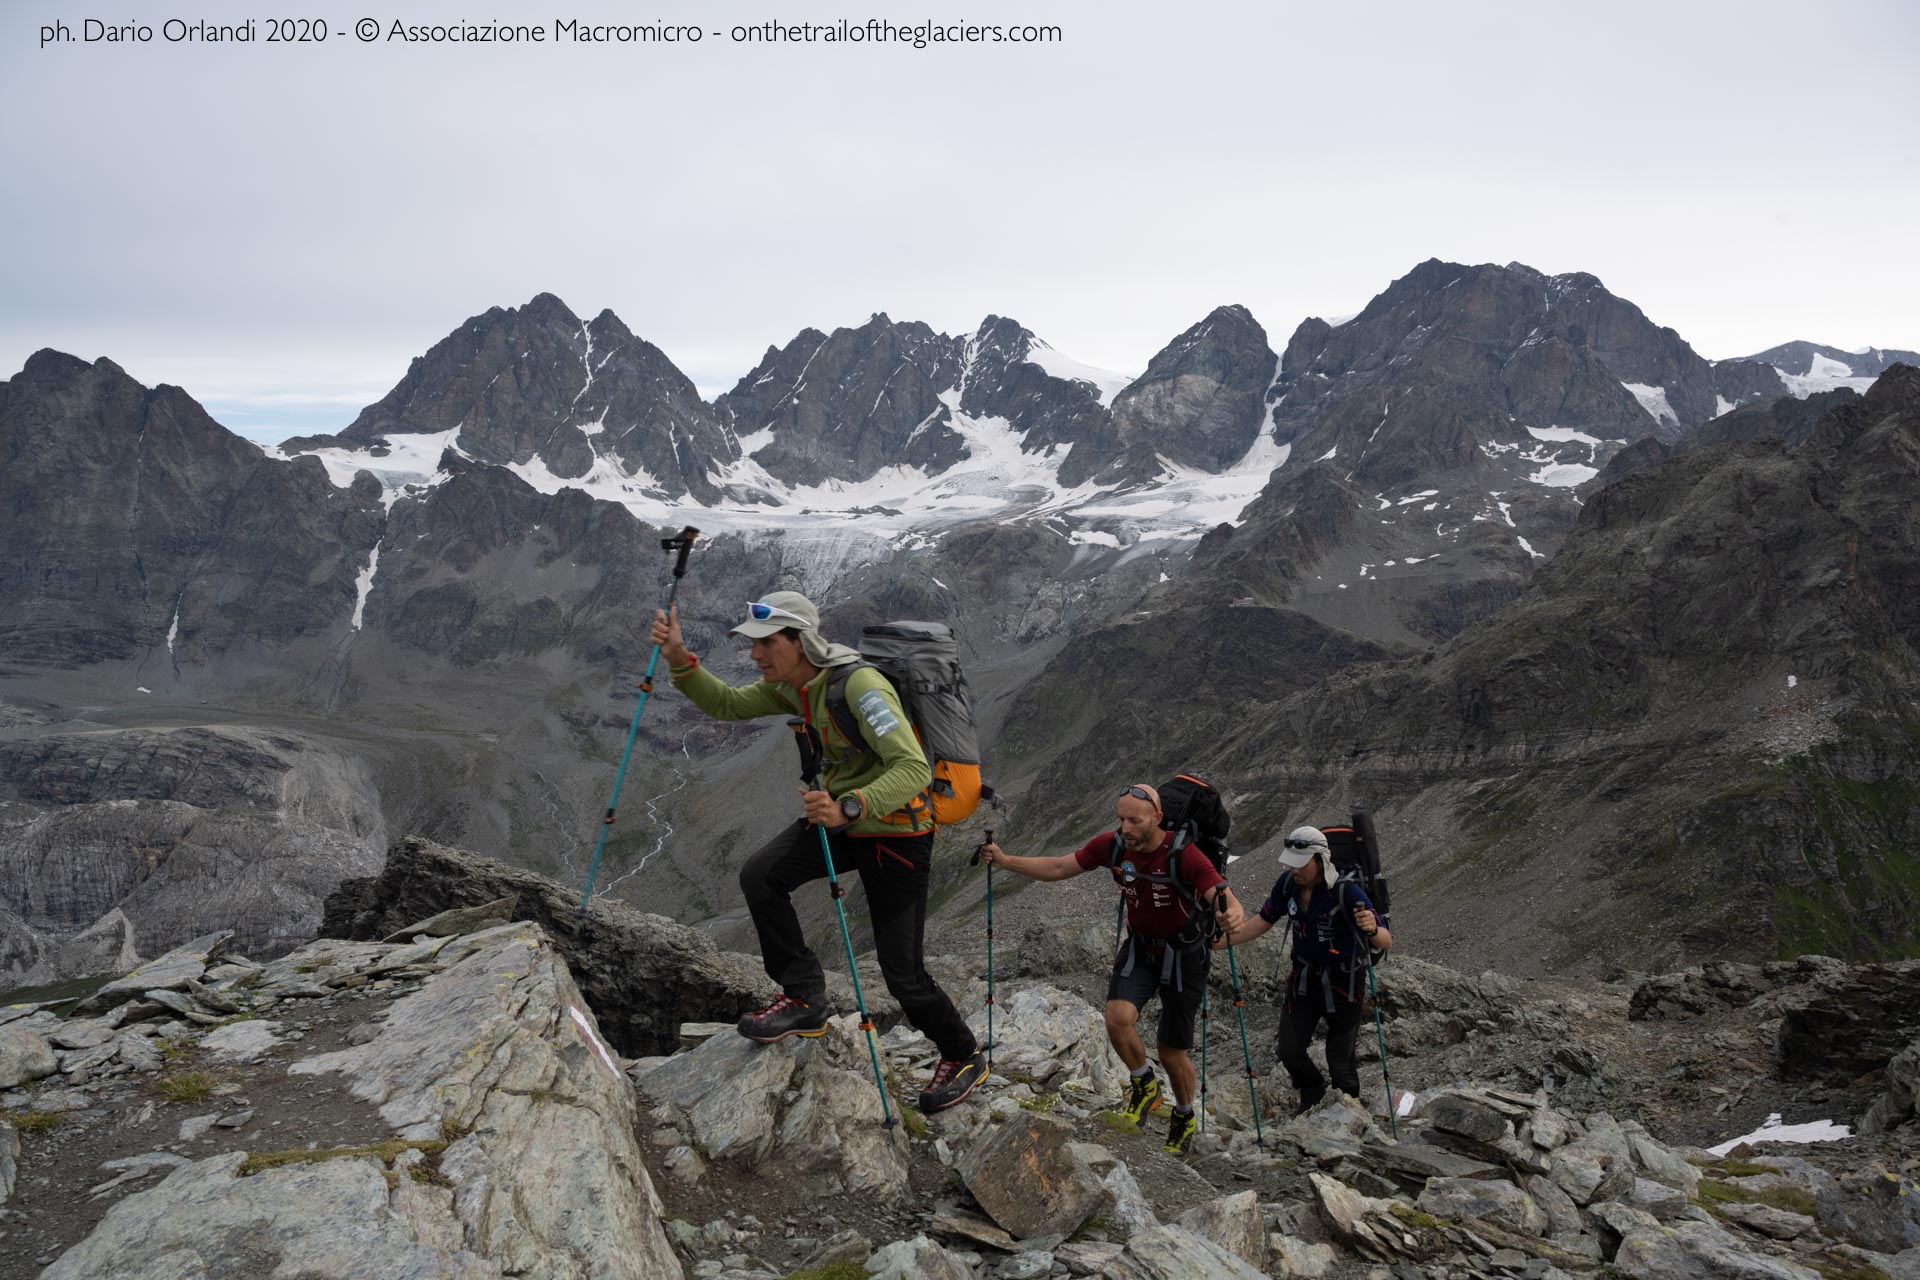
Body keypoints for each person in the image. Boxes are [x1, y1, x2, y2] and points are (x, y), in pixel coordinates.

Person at [649, 592, 986, 1114]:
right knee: (762, 875)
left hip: (896, 832)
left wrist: (851, 806)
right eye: (753, 645)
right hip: (844, 819)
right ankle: (805, 997)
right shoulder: (797, 689)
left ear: (800, 641)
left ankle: (963, 1054)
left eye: (765, 644)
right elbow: (726, 704)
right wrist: (678, 657)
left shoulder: (861, 686)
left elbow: (914, 767)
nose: (755, 655)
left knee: (902, 973)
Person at [979, 783, 1245, 1155]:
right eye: (1121, 819)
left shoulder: (1185, 856)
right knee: (1117, 1018)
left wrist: (1233, 913)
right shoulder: (1114, 846)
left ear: (1157, 817)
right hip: (1140, 948)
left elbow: (1224, 897)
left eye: (1134, 821)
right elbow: (1059, 867)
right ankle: (1144, 1085)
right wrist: (1006, 861)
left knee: (1171, 1052)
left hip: (1184, 956)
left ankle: (1184, 1114)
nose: (1126, 828)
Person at [1216, 825, 1392, 1112]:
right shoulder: (1288, 886)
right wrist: (1224, 943)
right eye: (1290, 862)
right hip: (1303, 980)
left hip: (1344, 983)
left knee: (1340, 1061)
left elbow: (1386, 940)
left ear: (1320, 860)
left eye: (1300, 864)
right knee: (1289, 1051)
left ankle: (1350, 1115)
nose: (1293, 869)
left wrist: (1372, 928)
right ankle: (1313, 1095)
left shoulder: (1347, 892)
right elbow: (1264, 919)